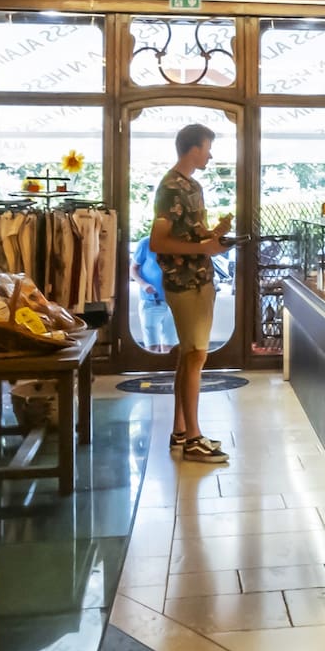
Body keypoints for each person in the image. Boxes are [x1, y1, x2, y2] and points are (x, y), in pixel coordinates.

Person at [149, 123, 232, 463]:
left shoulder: (192, 186)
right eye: (207, 147)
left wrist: (215, 236)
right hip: (185, 282)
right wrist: (205, 249)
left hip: (199, 278)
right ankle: (194, 437)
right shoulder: (170, 188)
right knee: (197, 355)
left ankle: (181, 430)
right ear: (192, 148)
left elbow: (192, 237)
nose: (210, 154)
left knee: (188, 354)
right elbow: (158, 242)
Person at [130, 235, 177, 351]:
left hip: (175, 302)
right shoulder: (145, 243)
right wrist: (143, 284)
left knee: (170, 347)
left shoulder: (178, 243)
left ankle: (168, 369)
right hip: (151, 301)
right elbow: (133, 269)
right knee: (152, 347)